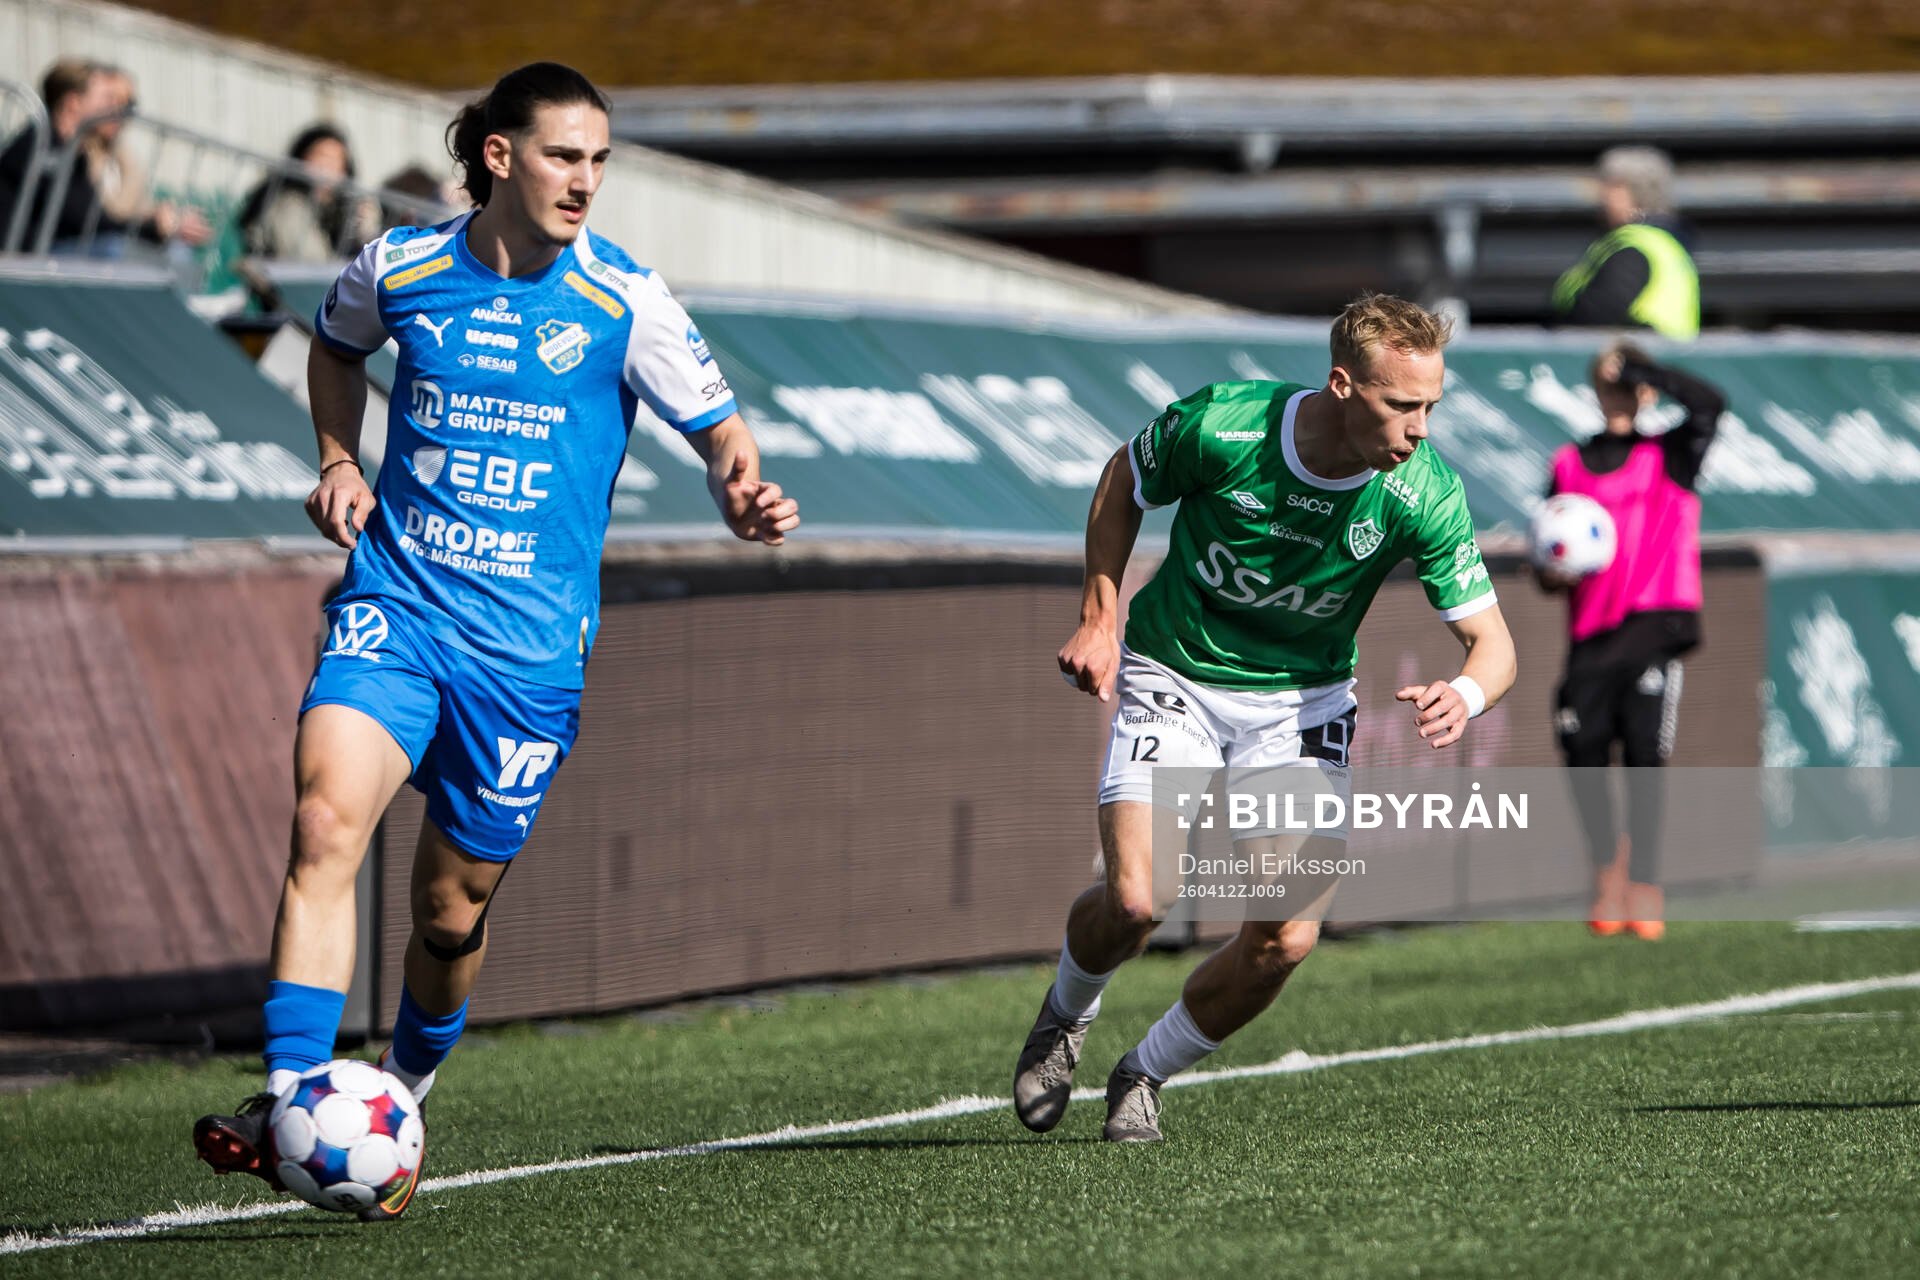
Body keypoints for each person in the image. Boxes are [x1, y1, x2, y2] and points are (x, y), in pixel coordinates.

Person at [191, 62, 799, 1219]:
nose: (588, 180)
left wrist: (743, 490)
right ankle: (289, 1105)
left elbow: (725, 435)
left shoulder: (625, 298)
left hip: (525, 663)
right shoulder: (402, 266)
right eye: (567, 155)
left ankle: (401, 1093)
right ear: (502, 156)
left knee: (448, 910)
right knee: (325, 820)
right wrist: (335, 460)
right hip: (399, 607)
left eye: (602, 159)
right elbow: (334, 345)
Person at [1015, 294, 1517, 1143]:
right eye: (1403, 406)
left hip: (1300, 707)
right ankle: (1067, 1013)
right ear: (1343, 386)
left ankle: (1145, 1070)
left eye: (1432, 406)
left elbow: (1493, 645)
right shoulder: (1224, 425)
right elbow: (1121, 482)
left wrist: (1463, 693)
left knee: (1285, 936)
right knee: (1139, 902)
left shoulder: (1423, 493)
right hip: (1177, 672)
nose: (1421, 429)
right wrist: (1101, 617)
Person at [1541, 342, 1723, 940]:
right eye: (1609, 383)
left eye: (1628, 384)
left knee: (1645, 757)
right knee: (1583, 753)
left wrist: (1649, 372)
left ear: (1644, 389)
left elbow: (1709, 405)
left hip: (1653, 625)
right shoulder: (1569, 463)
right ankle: (1605, 869)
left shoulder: (1668, 453)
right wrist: (1550, 572)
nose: (1618, 394)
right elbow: (1549, 554)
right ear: (1594, 391)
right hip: (1592, 632)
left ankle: (1644, 882)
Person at [1551, 146, 1699, 340]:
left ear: (1631, 190)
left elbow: (1598, 313)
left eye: (1610, 186)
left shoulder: (1635, 247)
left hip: (1637, 361)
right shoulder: (1664, 243)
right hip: (1661, 361)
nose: (1601, 197)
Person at [237, 124, 382, 262]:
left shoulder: (345, 207)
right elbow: (312, 265)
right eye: (321, 157)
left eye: (336, 161)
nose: (327, 167)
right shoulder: (287, 205)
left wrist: (364, 228)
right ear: (301, 159)